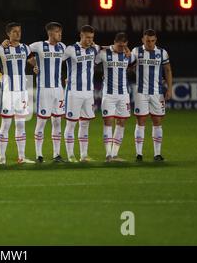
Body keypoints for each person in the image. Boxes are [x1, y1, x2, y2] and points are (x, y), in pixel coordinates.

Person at [0, 22, 34, 165]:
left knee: (21, 125)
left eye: (19, 31)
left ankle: (21, 157)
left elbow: (32, 61)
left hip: (22, 92)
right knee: (5, 124)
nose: (18, 33)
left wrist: (36, 67)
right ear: (8, 34)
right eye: (15, 31)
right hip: (7, 92)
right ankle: (2, 158)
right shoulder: (0, 48)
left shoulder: (25, 48)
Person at [132, 29, 173, 162]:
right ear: (142, 40)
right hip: (141, 92)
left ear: (156, 40)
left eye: (153, 41)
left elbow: (167, 70)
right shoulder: (136, 51)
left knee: (157, 121)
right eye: (148, 40)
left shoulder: (162, 52)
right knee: (141, 121)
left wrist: (170, 88)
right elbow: (126, 65)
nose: (150, 43)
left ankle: (157, 154)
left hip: (157, 92)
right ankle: (139, 154)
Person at [29, 22, 66, 163]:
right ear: (50, 33)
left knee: (57, 121)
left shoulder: (62, 47)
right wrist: (34, 65)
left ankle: (57, 154)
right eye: (57, 32)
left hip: (58, 90)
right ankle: (39, 155)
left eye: (60, 32)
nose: (60, 34)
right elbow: (21, 51)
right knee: (42, 122)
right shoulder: (38, 46)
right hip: (44, 89)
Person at [62, 25, 100, 162]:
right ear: (81, 36)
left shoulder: (94, 49)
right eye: (87, 37)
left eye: (92, 38)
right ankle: (71, 155)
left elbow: (108, 48)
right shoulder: (71, 49)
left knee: (85, 124)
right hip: (73, 92)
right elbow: (55, 62)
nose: (90, 40)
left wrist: (125, 50)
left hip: (88, 93)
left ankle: (84, 155)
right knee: (71, 124)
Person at [95, 32, 135, 162]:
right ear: (114, 42)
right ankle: (108, 155)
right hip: (108, 94)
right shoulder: (103, 54)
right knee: (108, 121)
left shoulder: (129, 56)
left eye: (123, 46)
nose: (121, 48)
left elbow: (136, 66)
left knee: (121, 122)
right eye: (119, 46)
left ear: (127, 44)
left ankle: (115, 154)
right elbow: (89, 65)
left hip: (124, 94)